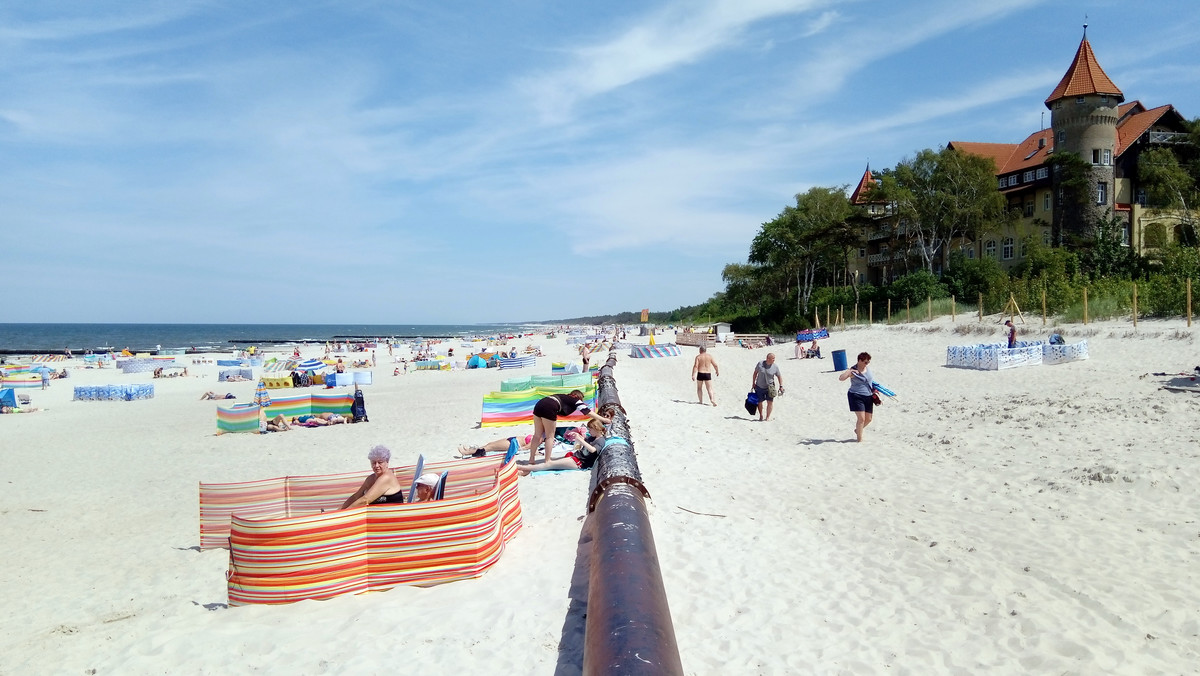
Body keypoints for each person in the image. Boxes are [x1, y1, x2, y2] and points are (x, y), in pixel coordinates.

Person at [528, 390, 610, 463]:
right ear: (579, 397)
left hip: (539, 404)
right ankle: (547, 460)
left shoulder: (564, 397)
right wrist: (604, 419)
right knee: (550, 436)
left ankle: (531, 459)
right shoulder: (575, 400)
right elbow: (587, 412)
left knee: (537, 434)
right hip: (550, 407)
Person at [518, 419, 609, 474]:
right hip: (576, 456)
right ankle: (524, 471)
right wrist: (578, 438)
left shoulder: (600, 440)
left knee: (549, 464)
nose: (589, 431)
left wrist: (581, 440)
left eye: (590, 429)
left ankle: (521, 467)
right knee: (552, 462)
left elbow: (593, 450)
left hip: (581, 463)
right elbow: (580, 447)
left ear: (596, 428)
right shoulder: (591, 438)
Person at [340, 445, 406, 509]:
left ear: (387, 462)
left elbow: (365, 500)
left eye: (380, 462)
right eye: (374, 463)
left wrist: (344, 514)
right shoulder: (371, 478)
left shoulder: (386, 477)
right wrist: (340, 510)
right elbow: (356, 496)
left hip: (392, 516)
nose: (376, 465)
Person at [838, 351, 875, 443]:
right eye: (865, 362)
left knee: (869, 419)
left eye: (868, 362)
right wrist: (849, 371)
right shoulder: (853, 371)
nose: (867, 364)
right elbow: (841, 378)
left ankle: (858, 430)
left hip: (868, 395)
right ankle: (859, 439)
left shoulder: (867, 369)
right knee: (861, 419)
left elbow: (870, 381)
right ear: (859, 361)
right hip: (856, 395)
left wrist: (875, 391)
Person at [750, 353, 783, 421]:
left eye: (774, 358)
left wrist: (781, 386)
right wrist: (753, 383)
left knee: (770, 402)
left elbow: (779, 376)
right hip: (759, 386)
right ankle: (761, 415)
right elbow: (755, 373)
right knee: (759, 402)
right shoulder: (760, 364)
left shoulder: (775, 367)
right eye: (773, 358)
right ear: (768, 359)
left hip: (770, 387)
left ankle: (767, 417)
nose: (774, 360)